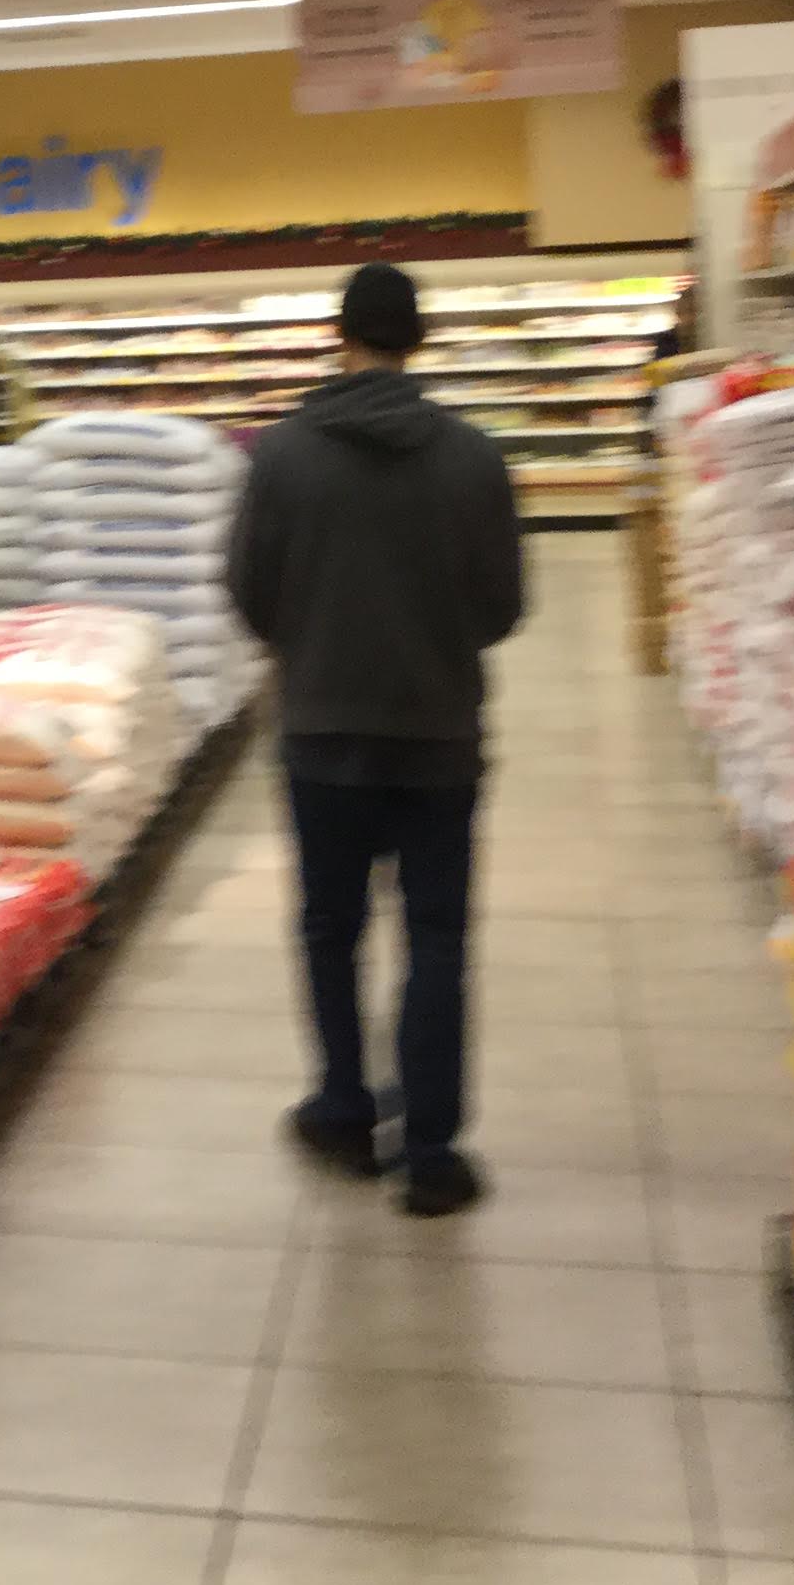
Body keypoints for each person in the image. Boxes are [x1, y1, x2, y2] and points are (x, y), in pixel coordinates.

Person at [228, 261, 525, 1218]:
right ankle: (431, 1152)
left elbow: (249, 596)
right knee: (436, 938)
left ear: (339, 336)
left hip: (321, 733)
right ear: (419, 341)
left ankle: (344, 1111)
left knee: (331, 929)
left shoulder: (280, 456)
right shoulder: (474, 458)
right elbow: (502, 608)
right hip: (439, 735)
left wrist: (316, 637)